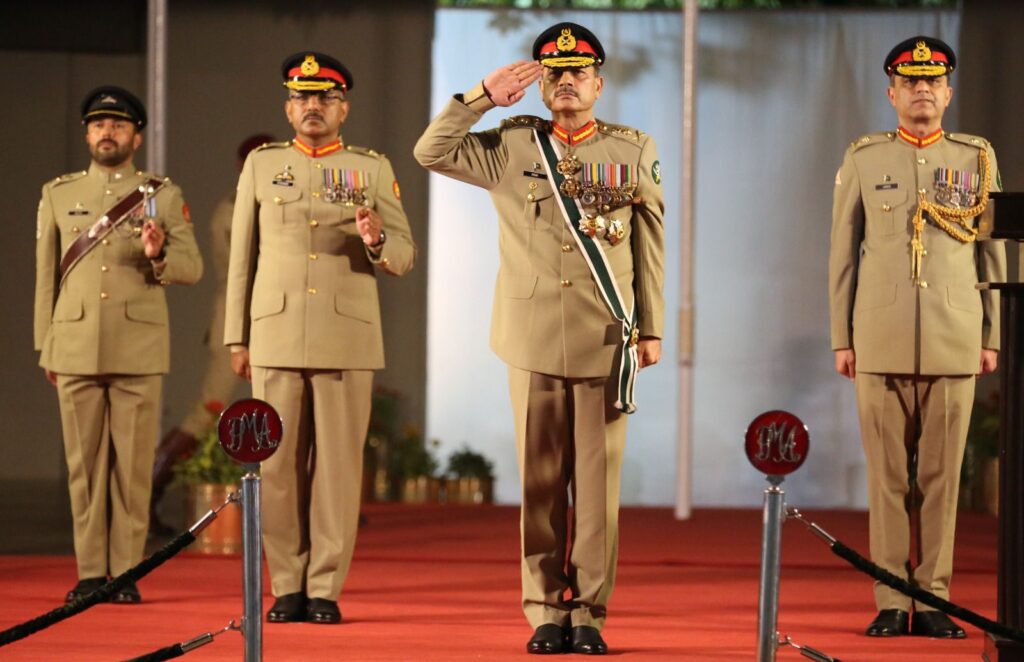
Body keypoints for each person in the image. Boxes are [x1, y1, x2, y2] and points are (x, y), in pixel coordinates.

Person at [415, 23, 664, 655]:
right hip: (529, 339)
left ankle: (590, 613)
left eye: (579, 72)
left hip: (606, 335)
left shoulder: (632, 149)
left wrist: (652, 327)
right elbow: (430, 151)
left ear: (600, 84)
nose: (567, 81)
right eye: (555, 72)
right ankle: (545, 611)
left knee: (599, 488)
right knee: (539, 484)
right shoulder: (509, 145)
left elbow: (649, 245)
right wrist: (480, 96)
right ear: (541, 84)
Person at [224, 51, 416, 625]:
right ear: (288, 107)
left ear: (343, 109)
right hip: (276, 332)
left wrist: (378, 239)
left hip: (347, 335)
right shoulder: (261, 165)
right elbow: (242, 258)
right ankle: (286, 583)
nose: (313, 107)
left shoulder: (372, 169)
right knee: (277, 467)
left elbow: (403, 257)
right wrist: (238, 336)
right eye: (303, 98)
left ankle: (325, 585)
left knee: (335, 469)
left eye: (325, 98)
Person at [829, 36, 1005, 639]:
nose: (922, 89)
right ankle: (890, 597)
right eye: (910, 81)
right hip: (878, 334)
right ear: (892, 93)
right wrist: (841, 336)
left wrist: (993, 334)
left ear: (948, 92)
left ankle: (933, 599)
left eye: (932, 81)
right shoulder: (864, 158)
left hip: (956, 334)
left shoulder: (976, 157)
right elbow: (842, 256)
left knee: (940, 480)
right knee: (886, 479)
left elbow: (994, 252)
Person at [34, 86, 203, 603]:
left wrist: (158, 255)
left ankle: (126, 572)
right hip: (76, 343)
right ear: (87, 134)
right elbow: (46, 278)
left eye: (119, 125)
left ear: (137, 136)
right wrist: (47, 344)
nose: (108, 132)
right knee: (83, 467)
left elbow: (191, 268)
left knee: (131, 470)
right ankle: (90, 573)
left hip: (137, 347)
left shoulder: (163, 195)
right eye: (99, 124)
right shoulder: (58, 194)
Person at [149, 133, 274, 532]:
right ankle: (151, 489)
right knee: (209, 410)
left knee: (289, 412)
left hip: (273, 318)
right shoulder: (233, 210)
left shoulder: (268, 203)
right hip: (238, 320)